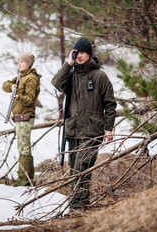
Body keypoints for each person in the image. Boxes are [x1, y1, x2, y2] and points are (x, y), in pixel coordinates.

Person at [51, 38, 117, 210]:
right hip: (73, 131)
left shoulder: (100, 76)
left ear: (89, 54)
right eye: (76, 52)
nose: (79, 56)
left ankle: (76, 207)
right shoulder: (71, 76)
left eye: (82, 52)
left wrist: (108, 128)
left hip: (92, 131)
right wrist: (68, 64)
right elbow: (56, 83)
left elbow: (110, 104)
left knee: (82, 168)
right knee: (74, 170)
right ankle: (79, 204)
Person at [2, 52, 42, 186]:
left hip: (25, 116)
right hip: (19, 117)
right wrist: (12, 86)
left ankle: (23, 181)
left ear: (29, 63)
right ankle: (28, 178)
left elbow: (30, 100)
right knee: (24, 146)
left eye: (21, 61)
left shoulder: (31, 78)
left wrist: (18, 96)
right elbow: (4, 85)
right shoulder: (21, 77)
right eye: (18, 61)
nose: (19, 63)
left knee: (23, 147)